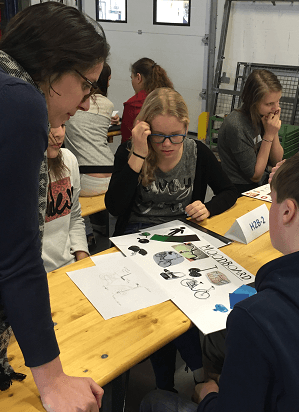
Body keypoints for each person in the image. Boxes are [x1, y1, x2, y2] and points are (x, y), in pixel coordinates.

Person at [0, 2, 109, 411]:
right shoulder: (17, 100)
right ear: (53, 66)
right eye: (87, 84)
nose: (86, 103)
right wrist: (52, 380)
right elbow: (16, 255)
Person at [140, 146, 299, 412]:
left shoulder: (255, 317)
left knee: (154, 402)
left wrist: (209, 395)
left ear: (287, 212)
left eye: (273, 200)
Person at [105, 87, 239, 392]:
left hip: (180, 234)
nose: (167, 144)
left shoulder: (197, 152)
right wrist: (138, 155)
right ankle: (196, 372)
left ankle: (178, 379)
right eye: (159, 136)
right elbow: (114, 206)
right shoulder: (131, 149)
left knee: (188, 292)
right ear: (145, 130)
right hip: (136, 235)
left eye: (176, 135)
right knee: (168, 294)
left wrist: (208, 206)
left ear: (186, 126)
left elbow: (228, 191)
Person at [65, 62, 117, 247]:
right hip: (111, 175)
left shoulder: (71, 102)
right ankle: (101, 232)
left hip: (85, 179)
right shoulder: (108, 105)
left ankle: (86, 233)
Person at [217, 69, 284, 193]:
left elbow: (277, 161)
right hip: (238, 187)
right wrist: (269, 135)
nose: (276, 108)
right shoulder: (236, 126)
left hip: (260, 180)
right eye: (269, 103)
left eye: (278, 101)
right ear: (253, 102)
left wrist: (273, 131)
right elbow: (255, 175)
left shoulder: (264, 115)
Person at [43, 124, 89, 272]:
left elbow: (74, 216)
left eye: (62, 125)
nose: (59, 134)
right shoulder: (13, 172)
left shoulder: (68, 159)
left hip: (70, 265)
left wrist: (82, 259)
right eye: (50, 125)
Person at [120, 57, 174, 143]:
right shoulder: (170, 97)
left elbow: (127, 140)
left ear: (139, 77)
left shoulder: (133, 104)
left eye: (132, 78)